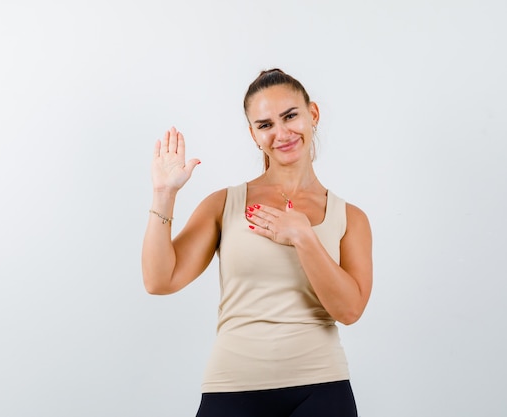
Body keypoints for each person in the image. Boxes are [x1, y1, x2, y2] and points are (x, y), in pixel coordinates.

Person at [141, 68, 373, 417]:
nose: (281, 133)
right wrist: (164, 194)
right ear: (253, 134)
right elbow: (160, 280)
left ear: (312, 114)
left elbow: (350, 310)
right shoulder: (224, 204)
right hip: (233, 387)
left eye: (290, 116)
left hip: (322, 388)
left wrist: (303, 236)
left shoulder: (350, 217)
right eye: (265, 125)